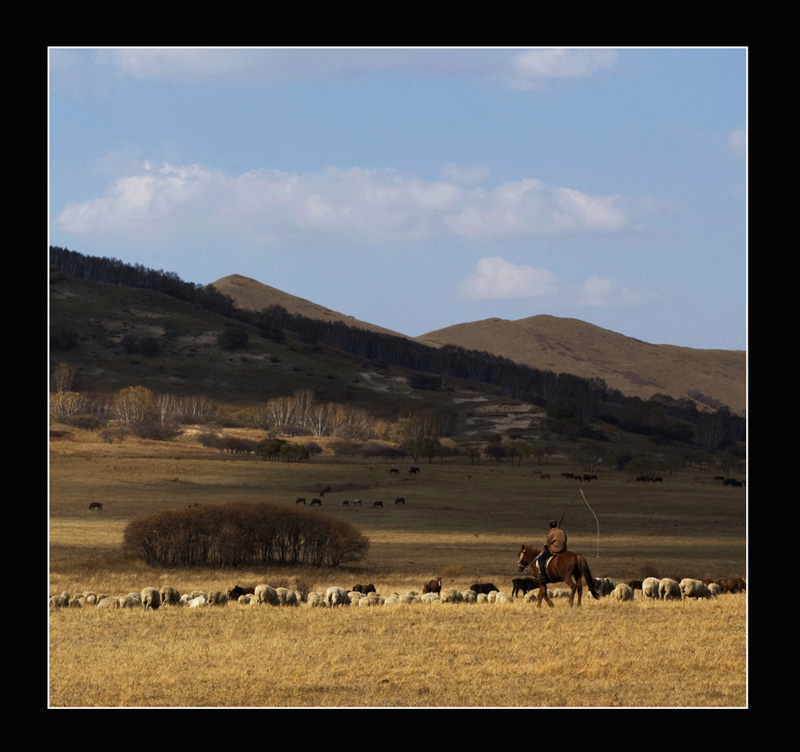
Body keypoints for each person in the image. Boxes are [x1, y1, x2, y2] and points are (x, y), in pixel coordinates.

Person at [536, 520, 567, 584]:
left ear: (550, 526)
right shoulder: (562, 532)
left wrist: (546, 547)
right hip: (563, 549)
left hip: (555, 550)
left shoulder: (551, 533)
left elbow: (548, 543)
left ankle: (543, 575)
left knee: (541, 558)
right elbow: (565, 539)